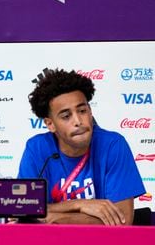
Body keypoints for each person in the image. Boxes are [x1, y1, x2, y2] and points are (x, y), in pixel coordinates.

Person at [18, 68, 145, 225]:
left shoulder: (113, 145)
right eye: (66, 116)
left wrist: (55, 218)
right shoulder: (36, 148)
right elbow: (24, 211)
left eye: (82, 111)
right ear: (50, 124)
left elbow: (123, 221)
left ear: (90, 112)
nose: (78, 121)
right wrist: (81, 205)